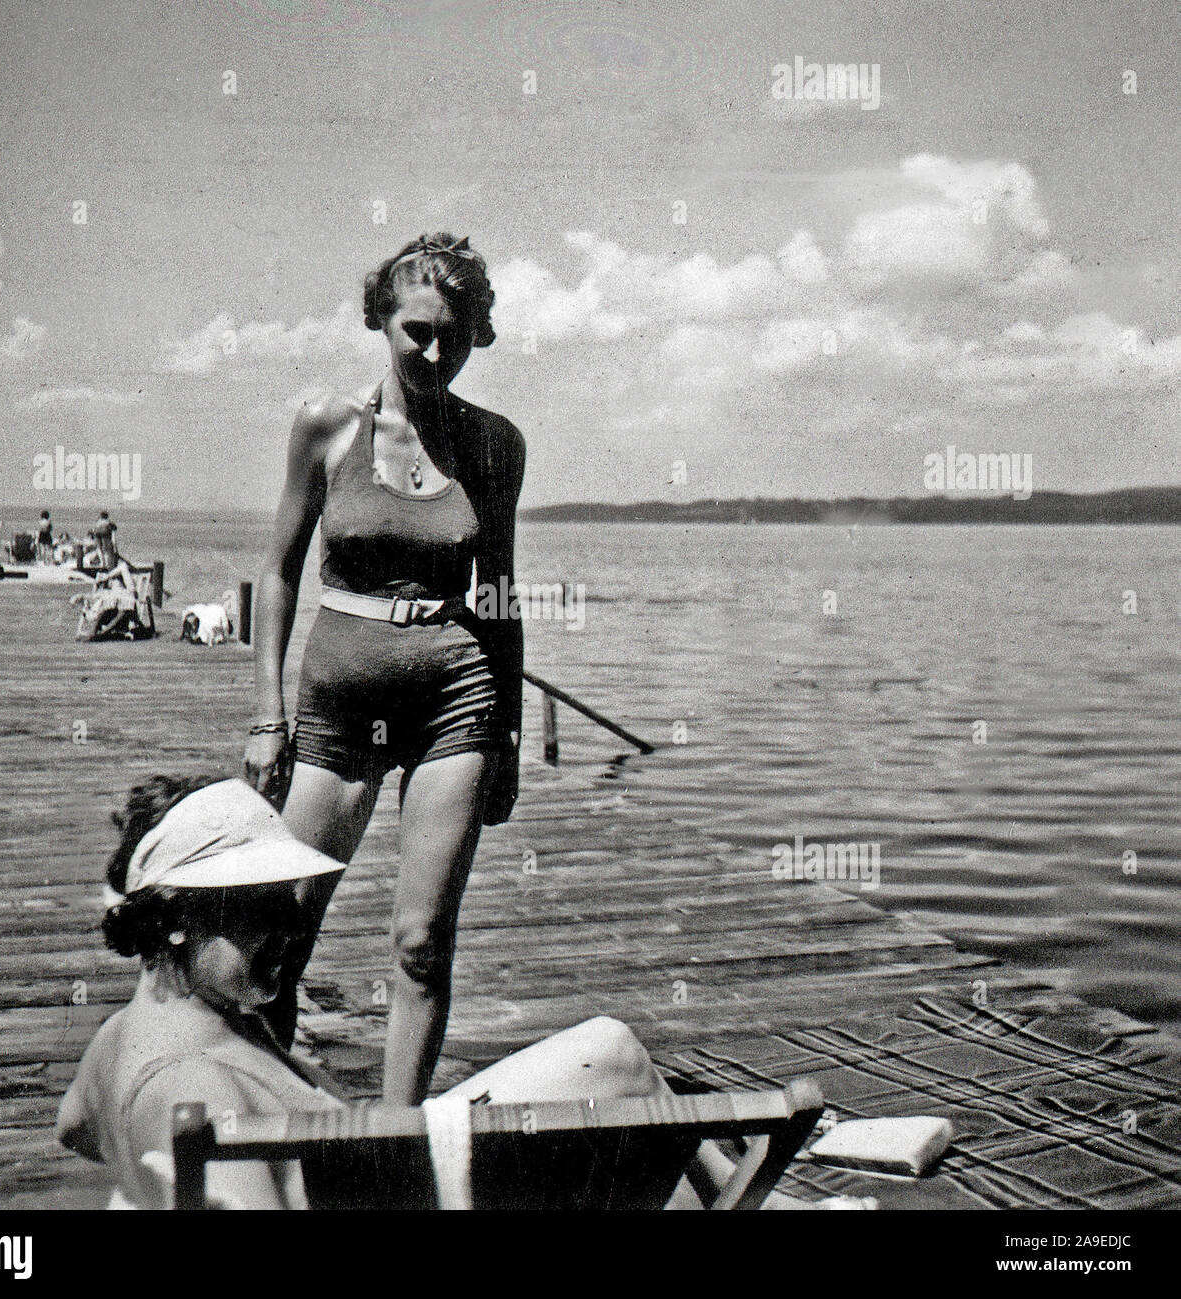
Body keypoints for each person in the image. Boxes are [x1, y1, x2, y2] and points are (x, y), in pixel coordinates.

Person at [57, 775, 808, 1211]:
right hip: (417, 1195)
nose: (293, 927)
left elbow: (77, 1127)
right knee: (611, 1055)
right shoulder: (194, 1084)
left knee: (629, 1099)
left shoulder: (125, 1039)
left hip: (393, 1165)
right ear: (178, 918)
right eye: (261, 908)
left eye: (293, 902)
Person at [244, 234, 525, 1105]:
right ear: (381, 320)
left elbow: (501, 594)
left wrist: (508, 736)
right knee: (278, 940)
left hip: (457, 697)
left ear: (476, 334)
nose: (433, 352)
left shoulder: (496, 445)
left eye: (454, 334)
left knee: (421, 942)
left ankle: (400, 1144)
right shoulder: (327, 427)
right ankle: (272, 1125)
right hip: (338, 700)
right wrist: (266, 715)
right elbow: (279, 572)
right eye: (416, 331)